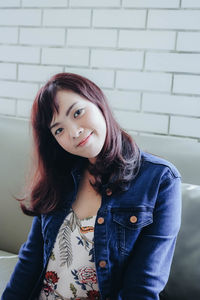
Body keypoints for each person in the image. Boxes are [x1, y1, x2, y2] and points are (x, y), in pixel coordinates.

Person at [1, 73, 182, 300]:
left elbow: (142, 286)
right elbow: (30, 262)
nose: (74, 132)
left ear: (98, 102)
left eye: (77, 113)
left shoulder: (160, 181)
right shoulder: (60, 176)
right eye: (59, 130)